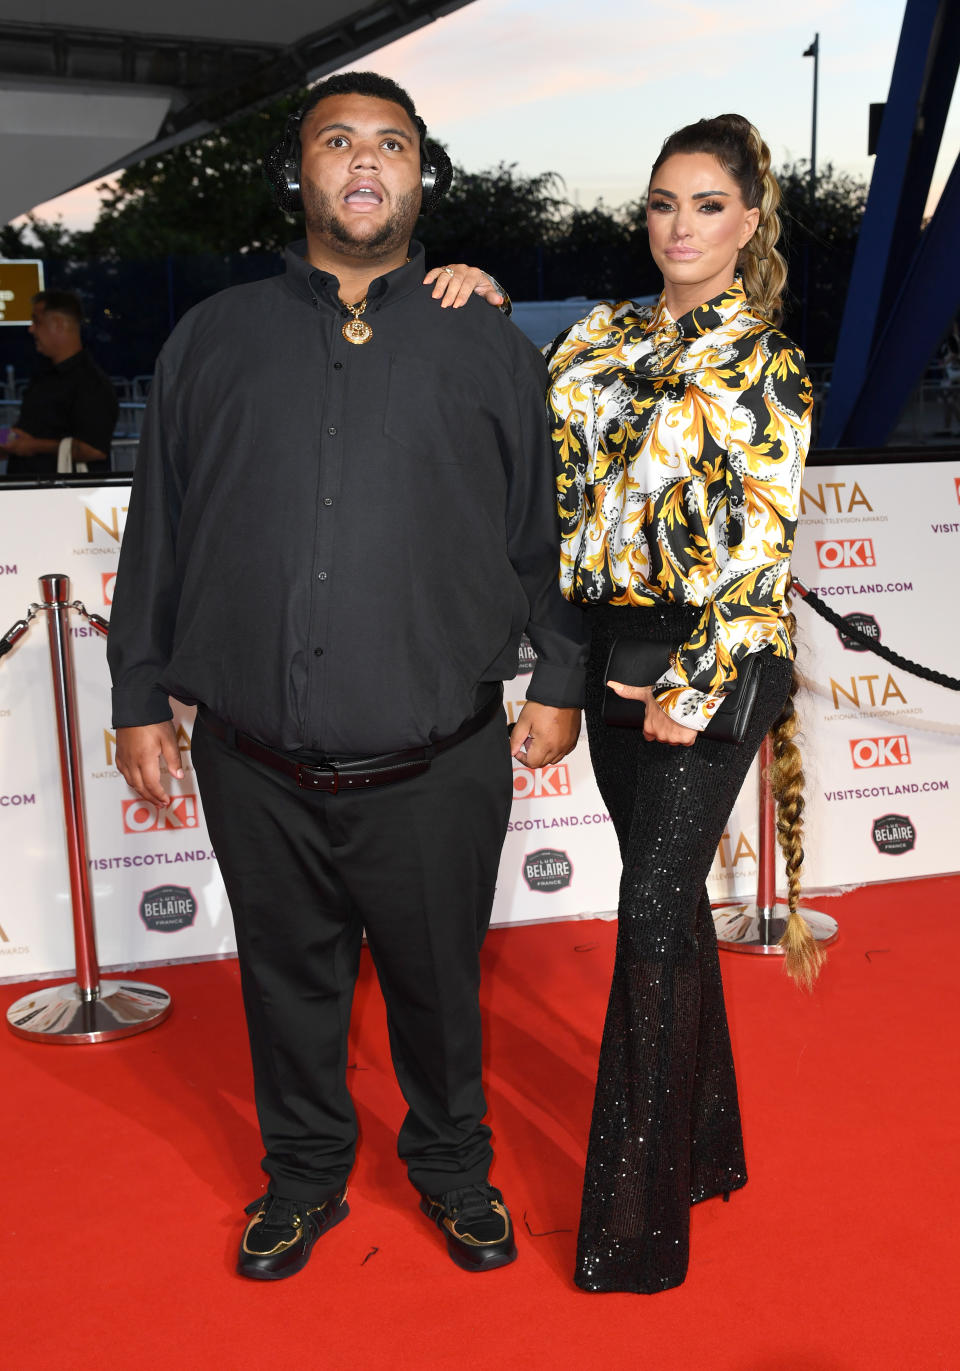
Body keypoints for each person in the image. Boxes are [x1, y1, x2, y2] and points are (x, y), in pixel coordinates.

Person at [106, 71, 587, 1283]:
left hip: (439, 763)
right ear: (302, 171)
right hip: (253, 758)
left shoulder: (485, 341)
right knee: (285, 985)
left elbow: (546, 537)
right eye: (337, 142)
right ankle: (305, 1177)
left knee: (437, 991)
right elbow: (161, 530)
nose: (364, 162)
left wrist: (563, 678)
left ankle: (452, 1172)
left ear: (420, 176)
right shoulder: (212, 339)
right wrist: (136, 694)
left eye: (391, 144)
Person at [431, 113, 821, 1294]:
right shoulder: (595, 338)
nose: (682, 226)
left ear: (749, 223)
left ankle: (634, 1234)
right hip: (605, 661)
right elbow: (530, 418)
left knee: (648, 917)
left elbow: (758, 554)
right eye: (663, 202)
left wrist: (695, 689)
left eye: (707, 204)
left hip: (716, 665)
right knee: (672, 917)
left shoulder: (767, 363)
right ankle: (707, 1148)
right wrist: (483, 293)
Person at [1, 290, 117, 476]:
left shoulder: (92, 383)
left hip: (64, 498)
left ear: (59, 324)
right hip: (27, 496)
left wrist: (33, 446)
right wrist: (4, 438)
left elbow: (94, 449)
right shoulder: (43, 376)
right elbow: (22, 432)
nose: (31, 329)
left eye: (36, 321)